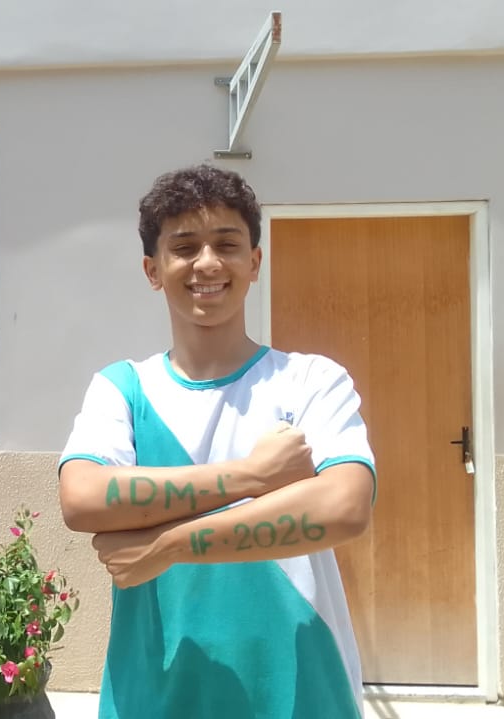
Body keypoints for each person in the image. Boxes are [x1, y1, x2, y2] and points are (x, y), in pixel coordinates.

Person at [57, 164, 376, 718]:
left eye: (227, 244)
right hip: (154, 698)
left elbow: (345, 507)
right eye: (184, 248)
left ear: (254, 261)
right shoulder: (122, 389)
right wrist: (254, 477)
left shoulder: (310, 380)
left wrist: (168, 544)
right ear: (153, 270)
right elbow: (82, 498)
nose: (207, 263)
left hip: (301, 695)